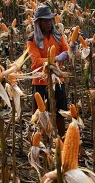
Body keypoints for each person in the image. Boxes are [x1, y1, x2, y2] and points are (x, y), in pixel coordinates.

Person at [27, 5, 69, 137]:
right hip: (40, 80)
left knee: (60, 112)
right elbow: (36, 60)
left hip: (57, 79)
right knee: (40, 113)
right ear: (38, 22)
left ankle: (62, 140)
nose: (49, 23)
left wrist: (70, 51)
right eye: (45, 21)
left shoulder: (58, 36)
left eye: (50, 20)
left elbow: (66, 50)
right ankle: (41, 140)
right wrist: (54, 58)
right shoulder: (32, 39)